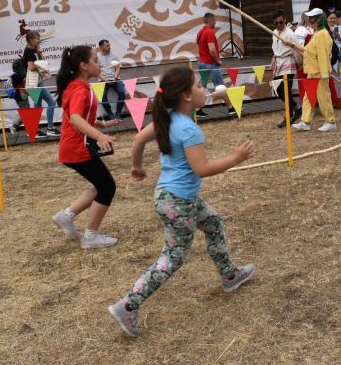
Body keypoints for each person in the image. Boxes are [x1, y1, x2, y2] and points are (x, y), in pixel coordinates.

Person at [107, 67, 255, 337]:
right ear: (186, 95)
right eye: (199, 86)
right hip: (179, 203)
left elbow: (139, 138)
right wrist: (236, 158)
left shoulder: (169, 118)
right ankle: (128, 305)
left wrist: (136, 166)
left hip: (171, 198)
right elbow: (202, 169)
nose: (204, 89)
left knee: (213, 222)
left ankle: (229, 274)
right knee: (172, 258)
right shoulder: (188, 130)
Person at [50, 45, 121, 249]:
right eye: (95, 60)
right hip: (77, 149)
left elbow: (75, 116)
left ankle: (66, 216)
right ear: (83, 65)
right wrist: (99, 135)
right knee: (107, 187)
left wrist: (100, 124)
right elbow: (74, 118)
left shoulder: (75, 86)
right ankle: (90, 236)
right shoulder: (80, 89)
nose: (99, 64)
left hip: (72, 148)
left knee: (101, 185)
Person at [292, 8, 337, 132]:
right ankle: (305, 121)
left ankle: (330, 121)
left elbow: (322, 55)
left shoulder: (322, 34)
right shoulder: (316, 33)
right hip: (313, 71)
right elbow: (307, 50)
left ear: (319, 19)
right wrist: (291, 45)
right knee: (308, 97)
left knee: (323, 97)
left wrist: (324, 74)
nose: (310, 20)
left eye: (312, 18)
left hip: (319, 72)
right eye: (309, 18)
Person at [195, 13, 235, 118]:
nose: (215, 23)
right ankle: (231, 108)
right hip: (210, 64)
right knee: (220, 86)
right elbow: (212, 49)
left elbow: (198, 43)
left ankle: (198, 110)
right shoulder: (209, 32)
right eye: (215, 21)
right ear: (211, 21)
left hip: (201, 63)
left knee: (202, 87)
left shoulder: (200, 32)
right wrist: (218, 60)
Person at [22, 30, 60, 136]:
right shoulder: (29, 51)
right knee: (51, 103)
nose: (39, 41)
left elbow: (42, 62)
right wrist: (40, 64)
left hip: (36, 82)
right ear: (30, 40)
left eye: (39, 38)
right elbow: (31, 67)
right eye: (37, 39)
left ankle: (34, 130)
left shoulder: (32, 50)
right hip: (36, 83)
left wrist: (39, 53)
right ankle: (51, 128)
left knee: (37, 105)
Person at [269, 9, 303, 127]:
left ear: (285, 20)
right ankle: (297, 108)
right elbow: (275, 47)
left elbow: (297, 49)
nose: (279, 25)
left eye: (281, 22)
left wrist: (300, 63)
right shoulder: (274, 32)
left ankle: (289, 116)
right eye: (276, 23)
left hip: (288, 63)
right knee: (278, 90)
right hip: (279, 62)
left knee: (285, 90)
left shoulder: (290, 34)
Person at [97, 39, 126, 120]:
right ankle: (109, 113)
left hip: (115, 78)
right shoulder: (97, 57)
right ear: (101, 47)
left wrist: (114, 78)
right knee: (102, 95)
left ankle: (118, 112)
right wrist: (105, 79)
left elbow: (118, 69)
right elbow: (97, 71)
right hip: (102, 79)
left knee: (122, 92)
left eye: (109, 45)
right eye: (107, 46)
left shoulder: (114, 55)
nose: (109, 47)